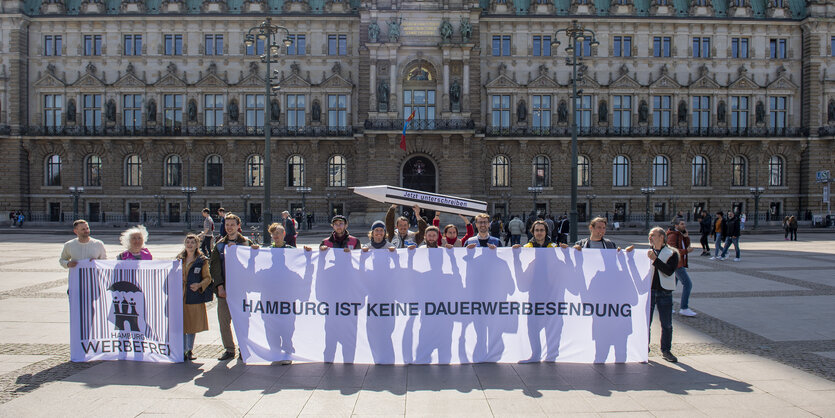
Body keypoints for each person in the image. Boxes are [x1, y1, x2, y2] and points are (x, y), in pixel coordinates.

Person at [210, 213, 259, 361]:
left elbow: (254, 264)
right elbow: (214, 268)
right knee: (224, 321)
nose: (229, 227)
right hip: (224, 289)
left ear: (238, 226)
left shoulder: (247, 243)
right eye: (227, 225)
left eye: (232, 225)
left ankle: (243, 347)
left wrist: (256, 252)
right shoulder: (219, 245)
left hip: (241, 290)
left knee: (243, 320)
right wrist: (219, 286)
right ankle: (229, 349)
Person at [177, 233, 213, 361]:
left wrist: (199, 285)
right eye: (188, 242)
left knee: (191, 324)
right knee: (181, 324)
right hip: (180, 295)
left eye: (192, 242)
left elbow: (208, 278)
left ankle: (189, 350)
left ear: (197, 244)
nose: (190, 245)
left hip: (194, 295)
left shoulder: (201, 260)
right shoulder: (179, 259)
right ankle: (180, 350)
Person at [647, 226, 679, 363]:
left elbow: (669, 271)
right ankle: (644, 347)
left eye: (653, 235)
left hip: (665, 292)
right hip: (650, 291)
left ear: (661, 237)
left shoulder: (672, 253)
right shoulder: (647, 252)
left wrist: (655, 260)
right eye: (649, 235)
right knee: (646, 322)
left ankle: (666, 350)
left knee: (666, 324)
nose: (650, 237)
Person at [667, 219, 696, 317]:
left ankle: (668, 306)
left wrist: (686, 237)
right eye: (682, 224)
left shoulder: (679, 234)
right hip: (677, 264)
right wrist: (686, 251)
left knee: (671, 286)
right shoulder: (672, 235)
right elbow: (672, 250)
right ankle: (684, 308)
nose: (684, 226)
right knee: (688, 284)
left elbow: (686, 245)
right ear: (676, 225)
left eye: (684, 224)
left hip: (679, 263)